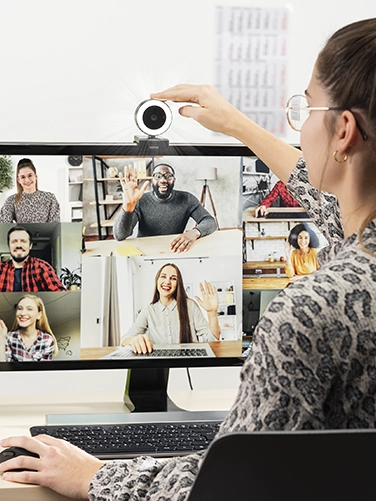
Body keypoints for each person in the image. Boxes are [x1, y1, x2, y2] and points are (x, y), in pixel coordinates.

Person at [1, 18, 376, 501]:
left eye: (305, 107)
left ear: (343, 130)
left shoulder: (310, 313)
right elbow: (323, 192)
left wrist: (93, 478)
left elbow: (233, 486)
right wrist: (235, 124)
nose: (300, 126)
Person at [113, 162, 217, 253]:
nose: (163, 180)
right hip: (146, 250)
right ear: (152, 179)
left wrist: (194, 232)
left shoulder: (187, 199)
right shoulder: (140, 200)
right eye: (157, 176)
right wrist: (128, 206)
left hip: (174, 248)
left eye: (168, 176)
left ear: (174, 179)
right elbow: (120, 235)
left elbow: (209, 221)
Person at [121, 263, 220, 354]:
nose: (167, 281)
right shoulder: (148, 310)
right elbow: (124, 339)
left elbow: (213, 340)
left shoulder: (190, 305)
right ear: (157, 280)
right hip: (160, 365)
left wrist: (212, 313)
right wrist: (134, 340)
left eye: (173, 278)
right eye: (163, 276)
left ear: (178, 284)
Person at [0, 226, 66, 292]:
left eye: (23, 241)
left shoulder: (42, 266)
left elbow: (61, 295)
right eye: (14, 241)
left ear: (30, 246)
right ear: (9, 245)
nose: (19, 245)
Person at [0, 158, 60, 223]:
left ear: (36, 176)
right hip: (20, 233)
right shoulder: (11, 200)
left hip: (45, 233)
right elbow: (4, 225)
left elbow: (55, 226)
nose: (27, 180)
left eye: (30, 175)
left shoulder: (50, 198)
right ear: (18, 180)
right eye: (23, 177)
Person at [0, 294, 58, 362]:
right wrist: (2, 338)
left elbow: (44, 371)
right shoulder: (9, 337)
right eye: (20, 308)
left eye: (29, 309)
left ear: (39, 315)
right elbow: (4, 368)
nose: (22, 313)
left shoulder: (47, 340)